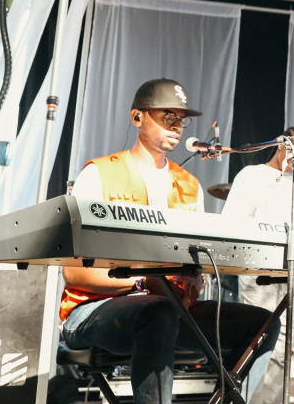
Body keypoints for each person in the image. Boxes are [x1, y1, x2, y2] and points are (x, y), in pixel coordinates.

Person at [61, 78, 280, 404]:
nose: (177, 127)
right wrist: (145, 278)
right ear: (138, 118)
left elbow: (193, 270)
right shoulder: (100, 175)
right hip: (91, 311)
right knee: (159, 311)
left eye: (182, 119)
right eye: (168, 117)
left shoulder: (189, 186)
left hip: (172, 311)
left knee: (265, 323)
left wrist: (195, 278)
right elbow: (75, 274)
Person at [221, 126, 294, 404]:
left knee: (287, 348)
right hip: (259, 276)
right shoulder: (251, 176)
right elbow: (232, 224)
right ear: (281, 145)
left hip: (293, 279)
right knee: (260, 343)